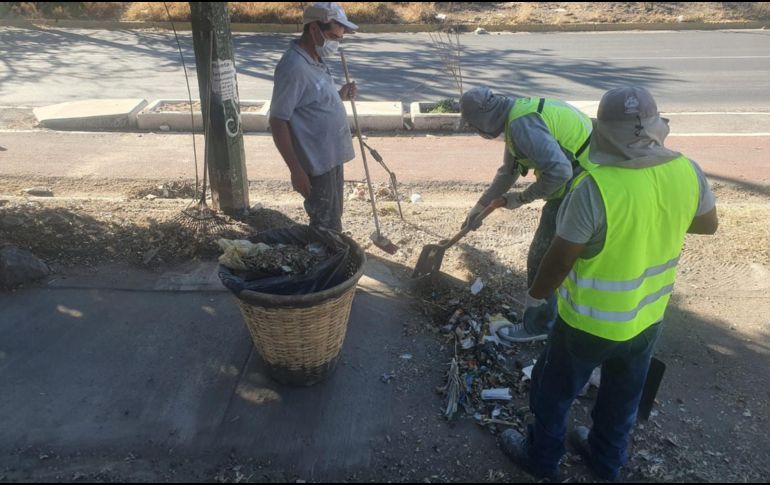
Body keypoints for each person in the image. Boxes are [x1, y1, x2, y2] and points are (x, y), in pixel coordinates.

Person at [499, 86, 719, 481]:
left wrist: (535, 296)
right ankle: (605, 461)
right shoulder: (687, 170)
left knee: (552, 393)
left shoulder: (594, 188)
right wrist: (655, 220)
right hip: (647, 318)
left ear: (603, 132)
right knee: (622, 396)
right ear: (655, 128)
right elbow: (707, 225)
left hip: (585, 324)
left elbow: (560, 259)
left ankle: (542, 459)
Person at [460, 86, 596, 341]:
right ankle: (561, 309)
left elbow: (560, 172)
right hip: (586, 176)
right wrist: (479, 207)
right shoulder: (515, 115)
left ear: (483, 122)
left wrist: (521, 198)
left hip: (583, 184)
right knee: (564, 255)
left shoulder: (522, 126)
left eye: (475, 127)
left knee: (542, 258)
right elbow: (508, 171)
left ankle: (539, 326)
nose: (478, 133)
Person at [269, 2, 359, 232]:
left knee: (333, 214)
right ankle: (324, 261)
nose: (335, 43)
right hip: (315, 162)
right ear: (313, 29)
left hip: (330, 156)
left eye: (339, 38)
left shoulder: (315, 59)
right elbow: (278, 121)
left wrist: (339, 96)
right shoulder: (293, 67)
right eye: (332, 36)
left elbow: (311, 102)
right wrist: (296, 170)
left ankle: (331, 251)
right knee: (324, 223)